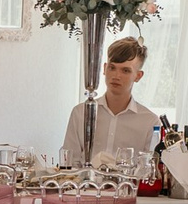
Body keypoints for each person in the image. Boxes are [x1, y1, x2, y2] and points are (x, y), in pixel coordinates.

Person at [60, 38, 161, 167]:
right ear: (104, 68)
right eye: (112, 68)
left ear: (138, 76)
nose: (116, 76)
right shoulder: (81, 113)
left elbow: (149, 171)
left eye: (125, 70)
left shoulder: (150, 123)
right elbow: (69, 162)